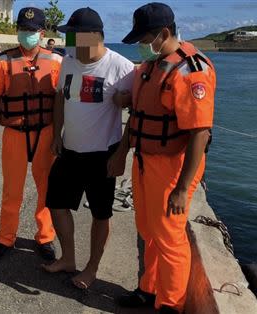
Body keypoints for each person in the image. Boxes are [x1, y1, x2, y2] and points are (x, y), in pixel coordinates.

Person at [108, 3, 216, 313]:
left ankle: (171, 304)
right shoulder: (151, 67)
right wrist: (121, 152)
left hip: (173, 167)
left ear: (164, 34)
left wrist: (182, 188)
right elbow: (139, 114)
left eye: (144, 39)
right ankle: (148, 289)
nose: (141, 46)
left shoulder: (192, 70)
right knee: (148, 230)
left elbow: (199, 133)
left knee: (169, 237)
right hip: (144, 162)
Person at [41, 7, 135, 290]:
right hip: (69, 150)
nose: (70, 44)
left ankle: (92, 267)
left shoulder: (121, 67)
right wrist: (57, 134)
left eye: (74, 37)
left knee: (100, 214)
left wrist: (121, 154)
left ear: (94, 37)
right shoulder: (69, 62)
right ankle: (68, 258)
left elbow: (136, 112)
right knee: (56, 204)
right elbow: (60, 98)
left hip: (102, 155)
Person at [0, 7, 62, 261]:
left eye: (31, 31)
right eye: (22, 30)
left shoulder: (55, 61)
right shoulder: (4, 61)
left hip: (46, 132)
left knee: (46, 188)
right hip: (15, 132)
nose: (25, 35)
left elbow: (62, 101)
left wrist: (61, 136)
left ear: (41, 33)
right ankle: (6, 239)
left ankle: (45, 237)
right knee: (12, 190)